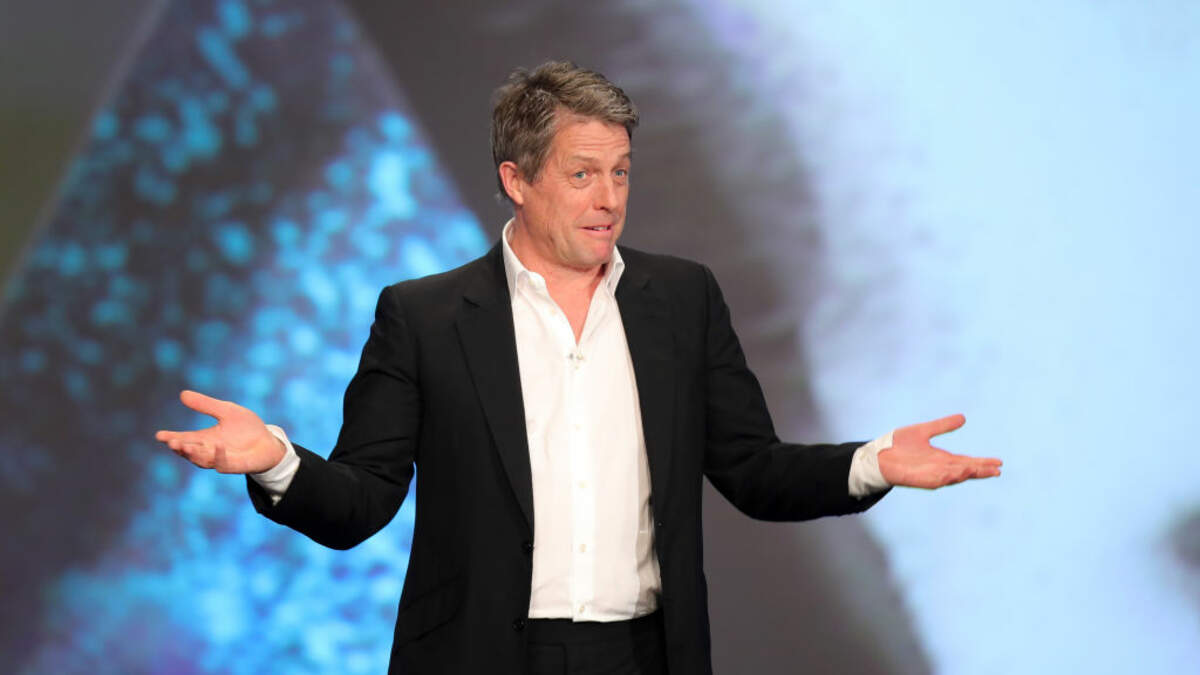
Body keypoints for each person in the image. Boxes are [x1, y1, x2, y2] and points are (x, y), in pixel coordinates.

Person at [156, 61, 1001, 674]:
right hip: (482, 655)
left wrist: (872, 462)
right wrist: (275, 459)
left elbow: (752, 469)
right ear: (516, 179)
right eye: (583, 174)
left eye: (620, 173)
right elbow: (360, 502)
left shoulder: (683, 299)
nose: (609, 198)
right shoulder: (424, 316)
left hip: (645, 653)